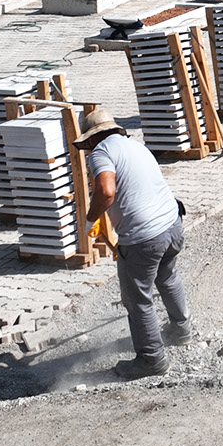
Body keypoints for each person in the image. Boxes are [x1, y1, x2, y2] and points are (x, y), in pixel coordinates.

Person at [77, 107, 192, 379]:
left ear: (92, 138)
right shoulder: (136, 146)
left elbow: (106, 191)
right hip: (172, 224)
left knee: (137, 298)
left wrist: (89, 219)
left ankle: (151, 359)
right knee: (167, 275)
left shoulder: (100, 152)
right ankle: (181, 330)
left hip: (144, 237)